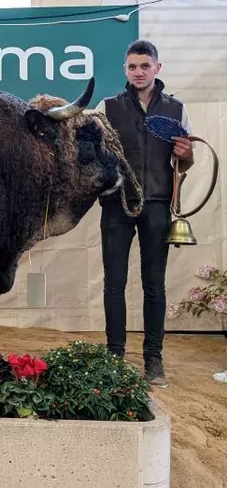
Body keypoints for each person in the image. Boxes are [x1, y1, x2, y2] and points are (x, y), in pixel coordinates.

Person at [95, 40, 194, 388]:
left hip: (156, 206)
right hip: (117, 205)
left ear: (157, 68)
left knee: (154, 285)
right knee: (114, 283)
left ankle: (154, 359)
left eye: (145, 66)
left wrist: (186, 154)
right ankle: (114, 357)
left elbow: (184, 163)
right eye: (132, 67)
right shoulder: (106, 108)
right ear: (125, 70)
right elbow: (93, 159)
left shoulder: (177, 110)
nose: (139, 72)